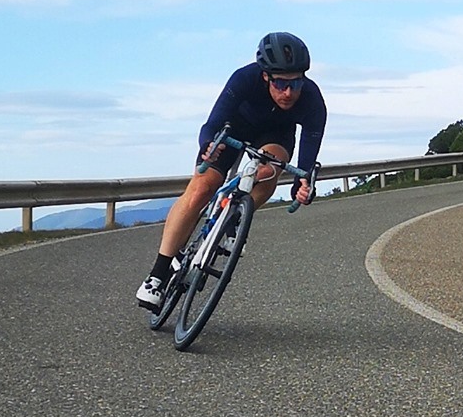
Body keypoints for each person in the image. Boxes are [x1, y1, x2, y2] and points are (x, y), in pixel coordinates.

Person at [136, 32, 327, 310]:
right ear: (265, 77)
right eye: (280, 83)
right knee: (201, 188)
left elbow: (305, 166)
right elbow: (211, 124)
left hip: (275, 134)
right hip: (233, 127)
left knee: (270, 169)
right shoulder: (244, 78)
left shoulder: (312, 101)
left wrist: (303, 185)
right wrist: (208, 147)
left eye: (296, 83)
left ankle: (233, 218)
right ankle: (157, 275)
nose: (289, 92)